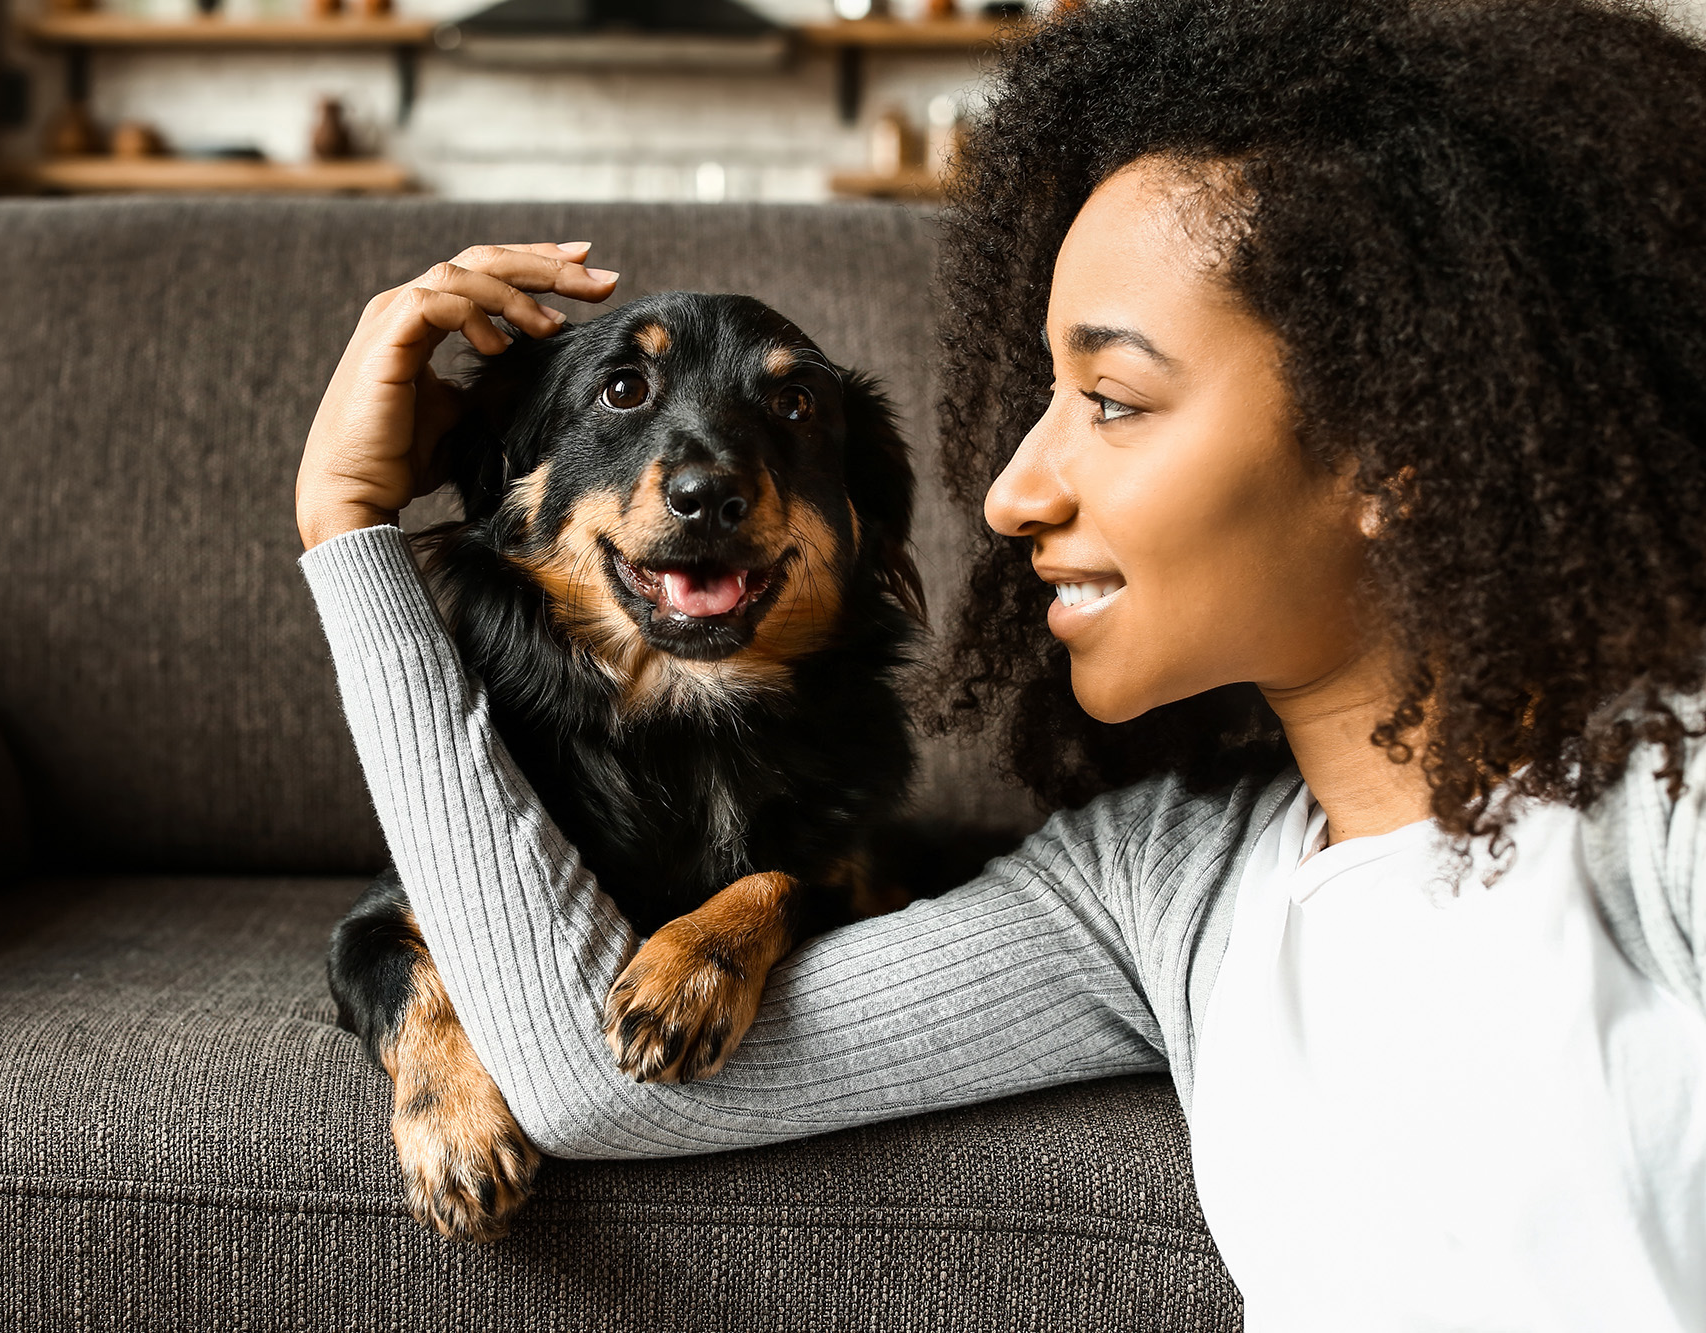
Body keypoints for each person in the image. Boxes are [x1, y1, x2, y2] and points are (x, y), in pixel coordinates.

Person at [294, 0, 1706, 1325]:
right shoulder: (1157, 893)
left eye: (1111, 398)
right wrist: (348, 533)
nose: (1013, 490)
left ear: (1398, 439)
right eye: (1042, 397)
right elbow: (587, 1078)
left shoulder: (1668, 802)